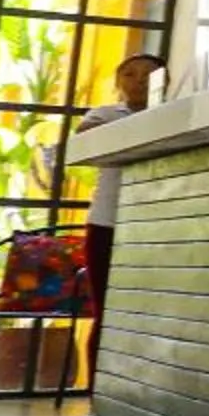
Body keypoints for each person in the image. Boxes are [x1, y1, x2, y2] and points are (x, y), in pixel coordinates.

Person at [73, 52, 164, 310]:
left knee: (142, 307)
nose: (140, 81)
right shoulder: (105, 114)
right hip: (107, 222)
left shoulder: (174, 114)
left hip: (156, 223)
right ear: (117, 83)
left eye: (149, 75)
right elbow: (83, 137)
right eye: (130, 74)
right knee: (106, 309)